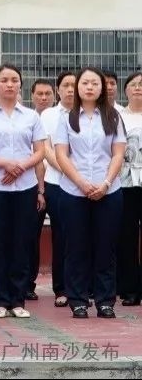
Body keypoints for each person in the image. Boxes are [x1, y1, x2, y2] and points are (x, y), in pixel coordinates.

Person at [0, 64, 47, 319]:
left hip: (25, 187)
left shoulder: (31, 117)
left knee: (21, 243)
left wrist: (21, 166)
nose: (9, 84)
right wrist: (5, 164)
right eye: (4, 80)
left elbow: (40, 151)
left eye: (14, 80)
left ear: (20, 85)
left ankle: (18, 300)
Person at [54, 67, 126, 319]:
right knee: (76, 247)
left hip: (109, 191)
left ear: (102, 88)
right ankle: (78, 300)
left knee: (106, 247)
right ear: (77, 87)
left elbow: (118, 154)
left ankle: (105, 300)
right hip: (74, 192)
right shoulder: (67, 118)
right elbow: (61, 154)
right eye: (85, 83)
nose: (90, 87)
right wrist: (81, 183)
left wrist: (105, 183)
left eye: (95, 83)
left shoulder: (113, 116)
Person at [38, 71, 76, 308]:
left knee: (81, 235)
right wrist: (67, 170)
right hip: (57, 181)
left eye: (74, 85)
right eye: (66, 85)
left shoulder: (88, 113)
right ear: (58, 90)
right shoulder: (48, 115)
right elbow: (46, 147)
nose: (70, 89)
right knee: (61, 235)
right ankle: (61, 288)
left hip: (84, 183)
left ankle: (82, 285)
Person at [25, 79, 54, 301]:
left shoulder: (60, 118)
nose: (44, 98)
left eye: (48, 94)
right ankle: (27, 283)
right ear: (32, 95)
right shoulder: (26, 119)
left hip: (59, 183)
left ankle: (64, 286)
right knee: (29, 236)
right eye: (39, 94)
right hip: (33, 185)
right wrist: (39, 189)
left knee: (65, 236)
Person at [117, 72, 142, 305]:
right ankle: (130, 289)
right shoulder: (117, 116)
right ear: (125, 90)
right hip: (124, 183)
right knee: (127, 236)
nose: (138, 88)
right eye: (133, 84)